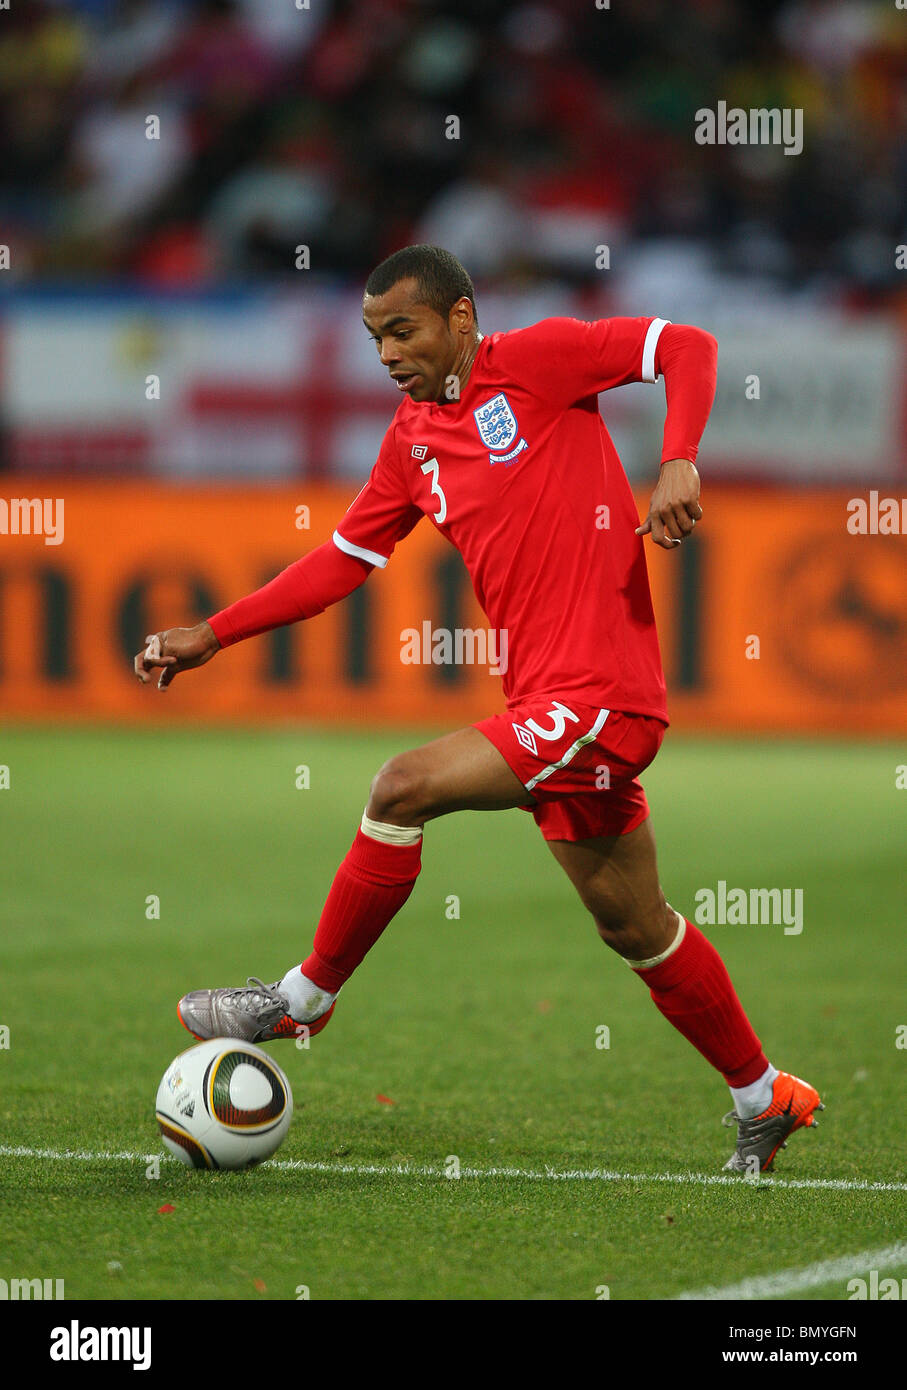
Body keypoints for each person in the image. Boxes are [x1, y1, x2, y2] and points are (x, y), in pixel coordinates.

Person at [135, 244, 822, 1173]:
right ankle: (763, 1094)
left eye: (403, 330)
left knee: (401, 786)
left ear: (460, 319)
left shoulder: (538, 360)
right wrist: (212, 634)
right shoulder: (410, 442)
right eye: (374, 336)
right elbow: (339, 562)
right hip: (551, 705)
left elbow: (687, 346)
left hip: (601, 699)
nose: (386, 352)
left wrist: (679, 463)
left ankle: (302, 999)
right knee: (636, 926)